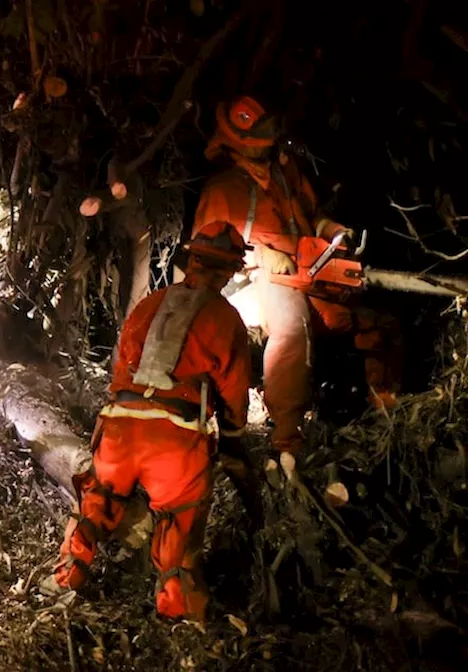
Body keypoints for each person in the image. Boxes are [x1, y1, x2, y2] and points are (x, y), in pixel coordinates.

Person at [46, 221, 254, 622]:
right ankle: (177, 612)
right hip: (175, 440)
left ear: (191, 260)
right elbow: (233, 391)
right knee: (179, 523)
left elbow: (122, 365)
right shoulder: (226, 319)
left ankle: (67, 576)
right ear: (229, 270)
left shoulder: (149, 304)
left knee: (96, 503)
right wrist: (233, 437)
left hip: (120, 426)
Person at [193, 95, 402, 457]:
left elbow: (313, 214)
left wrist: (335, 231)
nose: (267, 146)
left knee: (372, 320)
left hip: (307, 269)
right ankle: (287, 438)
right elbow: (206, 254)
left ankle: (385, 412)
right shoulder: (223, 188)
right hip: (255, 282)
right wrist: (260, 255)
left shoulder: (285, 172)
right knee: (292, 328)